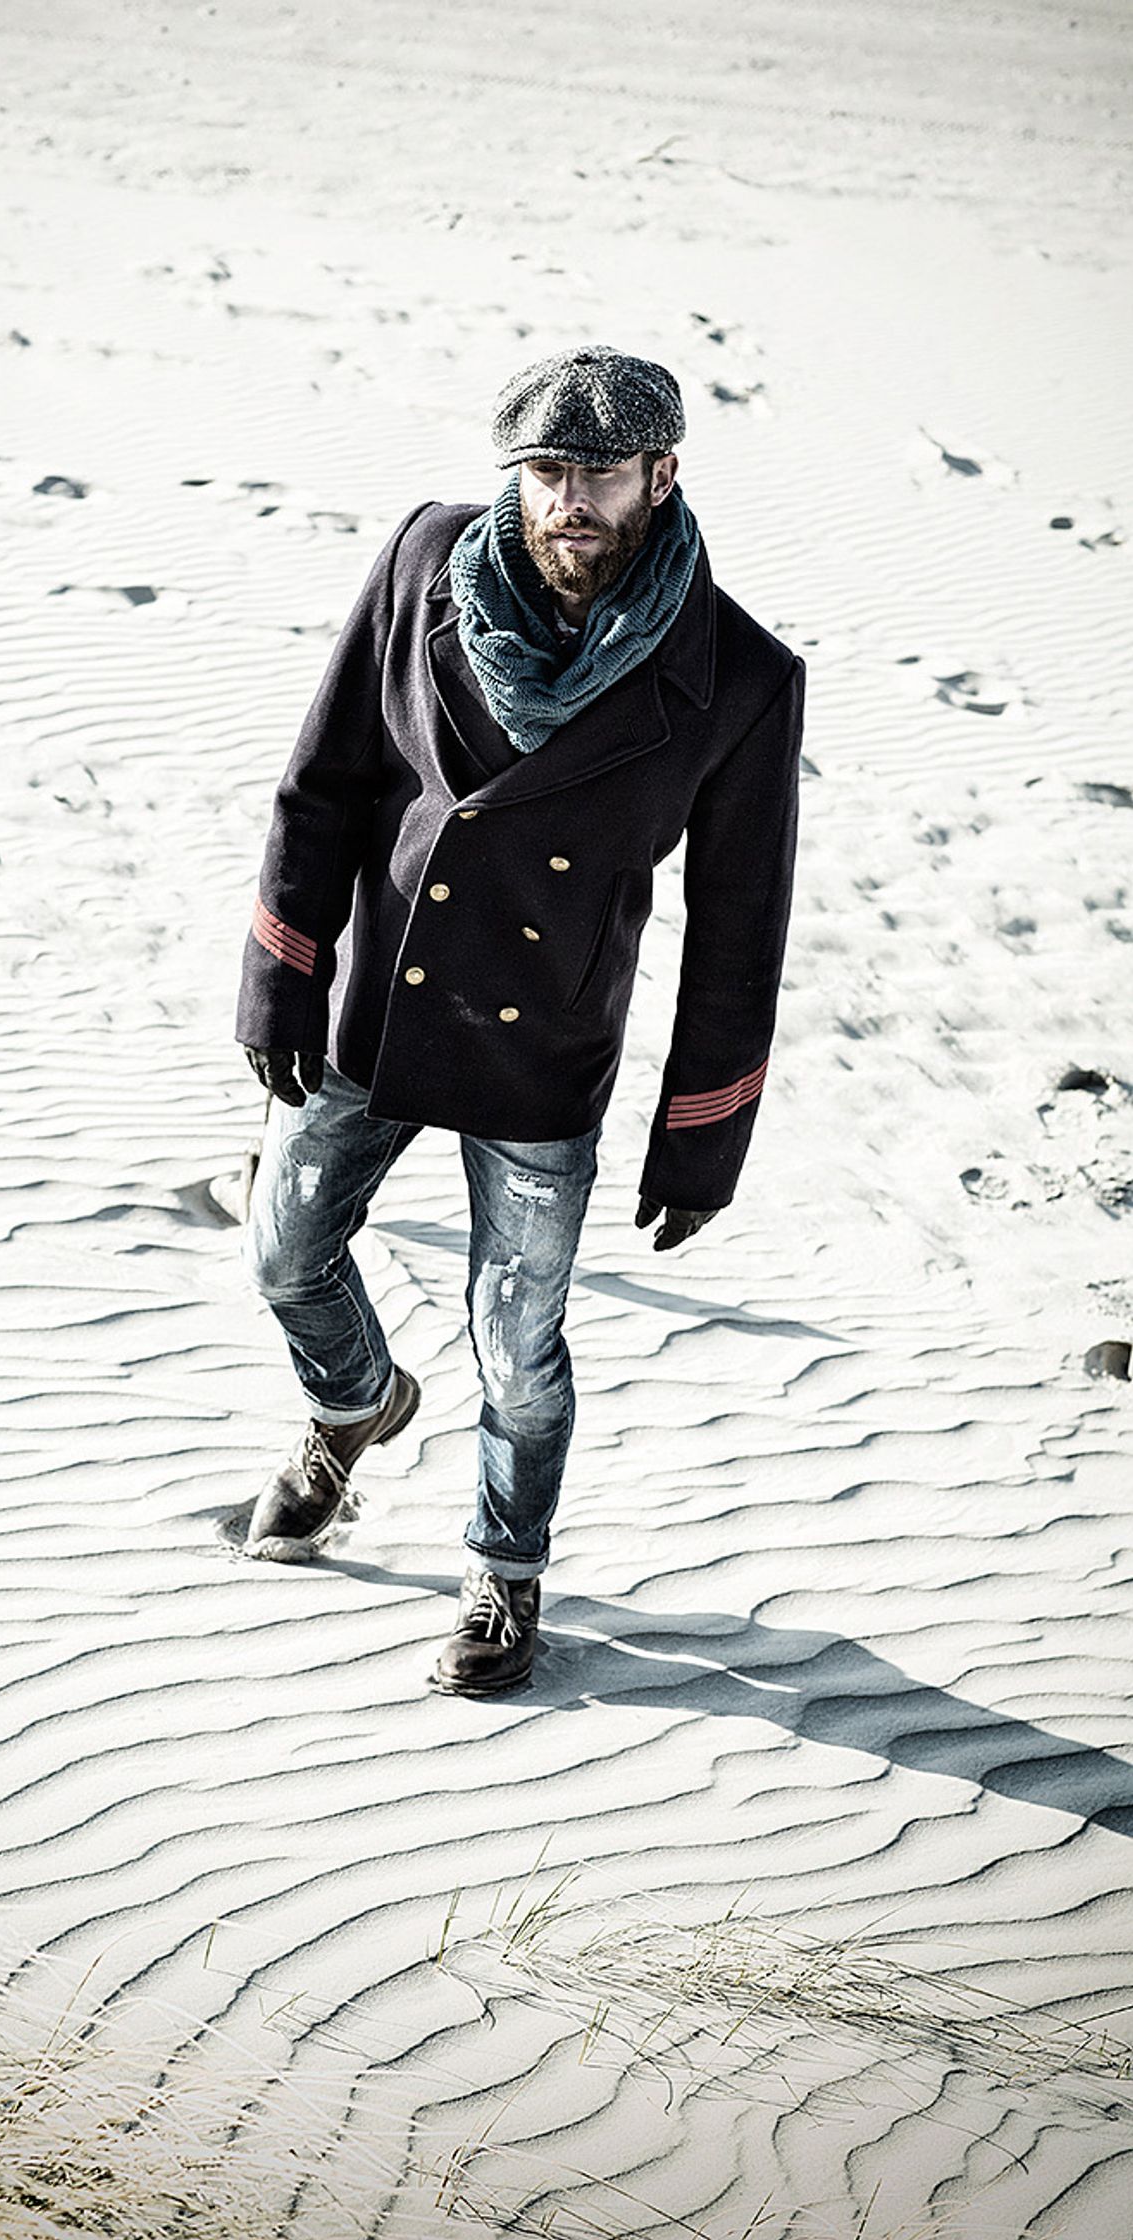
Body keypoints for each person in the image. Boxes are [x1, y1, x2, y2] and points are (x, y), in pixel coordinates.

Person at [234, 344, 805, 1697]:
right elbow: (324, 781)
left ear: (660, 475)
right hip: (378, 1003)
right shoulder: (424, 560)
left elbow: (739, 934)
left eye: (599, 472)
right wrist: (283, 968)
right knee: (283, 1251)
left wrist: (700, 1137)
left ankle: (502, 1574)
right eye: (544, 471)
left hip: (541, 1044)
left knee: (516, 1346)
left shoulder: (737, 678)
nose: (568, 500)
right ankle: (351, 1405)